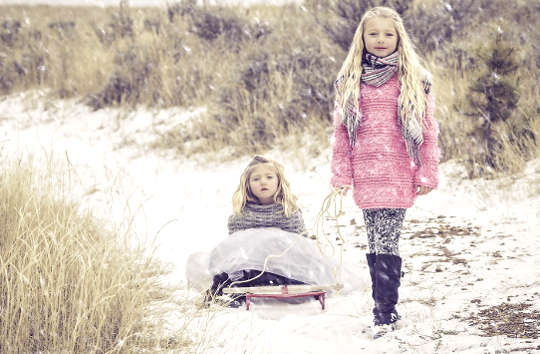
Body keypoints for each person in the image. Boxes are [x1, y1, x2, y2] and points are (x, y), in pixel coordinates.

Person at [330, 7, 440, 337]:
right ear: (362, 38)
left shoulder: (415, 78)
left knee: (387, 240)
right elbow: (340, 132)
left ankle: (384, 311)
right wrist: (340, 174)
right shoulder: (349, 79)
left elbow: (428, 129)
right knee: (374, 240)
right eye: (373, 34)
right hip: (365, 171)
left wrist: (426, 172)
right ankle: (384, 306)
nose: (380, 40)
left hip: (396, 171)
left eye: (388, 34)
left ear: (399, 38)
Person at [205, 156, 337, 307]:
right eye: (256, 179)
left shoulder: (288, 212)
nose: (263, 182)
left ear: (278, 181)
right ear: (247, 185)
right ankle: (232, 292)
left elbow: (300, 244)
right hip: (252, 267)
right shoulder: (241, 215)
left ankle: (284, 283)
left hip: (283, 264)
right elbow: (234, 247)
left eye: (269, 177)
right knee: (231, 272)